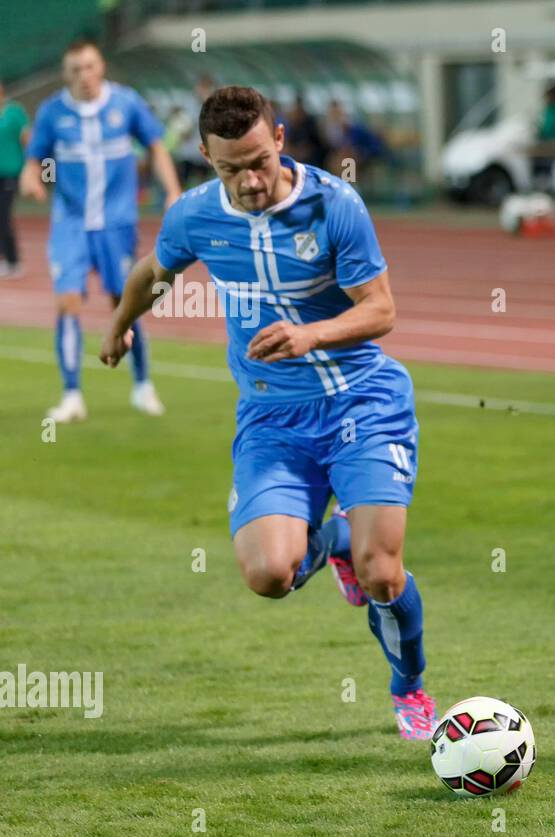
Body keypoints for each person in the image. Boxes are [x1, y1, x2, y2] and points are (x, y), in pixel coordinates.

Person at [98, 86, 435, 740]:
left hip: (361, 404)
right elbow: (153, 272)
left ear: (280, 137)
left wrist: (311, 334)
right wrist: (119, 325)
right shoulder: (194, 215)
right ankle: (330, 539)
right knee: (267, 575)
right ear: (203, 157)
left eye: (258, 160)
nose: (250, 180)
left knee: (382, 572)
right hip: (272, 421)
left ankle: (409, 688)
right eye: (231, 168)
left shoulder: (336, 205)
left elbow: (382, 310)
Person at [19, 39, 180, 422]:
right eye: (75, 69)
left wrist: (173, 191)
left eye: (90, 66)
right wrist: (34, 180)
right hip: (70, 225)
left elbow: (156, 147)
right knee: (67, 304)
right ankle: (72, 395)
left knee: (123, 305)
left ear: (101, 66)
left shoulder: (126, 104)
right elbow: (35, 160)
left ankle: (142, 385)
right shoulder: (52, 112)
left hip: (116, 224)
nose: (84, 76)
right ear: (65, 74)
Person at [0, 81, 29, 278]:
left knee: (3, 216)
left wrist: (43, 174)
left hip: (10, 173)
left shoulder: (14, 112)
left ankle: (13, 261)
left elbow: (30, 142)